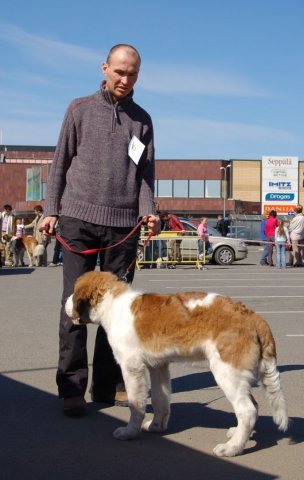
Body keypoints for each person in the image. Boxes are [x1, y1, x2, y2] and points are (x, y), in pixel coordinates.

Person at [40, 44, 159, 417]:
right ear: (105, 68)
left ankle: (108, 385)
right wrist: (50, 210)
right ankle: (71, 387)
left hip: (123, 227)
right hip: (77, 222)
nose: (125, 79)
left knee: (117, 312)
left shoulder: (142, 120)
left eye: (132, 74)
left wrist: (148, 213)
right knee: (75, 308)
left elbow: (144, 176)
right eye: (119, 71)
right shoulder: (79, 109)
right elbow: (59, 163)